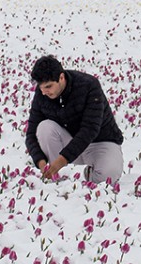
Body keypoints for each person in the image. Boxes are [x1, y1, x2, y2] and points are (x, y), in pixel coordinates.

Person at [25, 55, 124, 183]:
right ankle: (57, 177)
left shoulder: (89, 85)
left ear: (61, 77)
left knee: (108, 176)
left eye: (48, 87)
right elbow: (31, 133)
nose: (44, 92)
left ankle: (89, 174)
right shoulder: (42, 94)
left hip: (100, 142)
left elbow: (90, 129)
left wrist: (62, 160)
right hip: (68, 142)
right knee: (44, 127)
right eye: (41, 87)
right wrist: (41, 162)